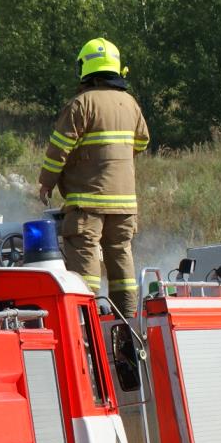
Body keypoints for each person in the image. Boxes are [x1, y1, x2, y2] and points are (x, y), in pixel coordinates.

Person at [37, 37, 150, 315]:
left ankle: (88, 330)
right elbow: (142, 142)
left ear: (85, 68)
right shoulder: (130, 104)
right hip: (124, 204)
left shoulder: (81, 104)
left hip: (87, 203)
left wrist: (45, 183)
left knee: (85, 264)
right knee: (121, 260)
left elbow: (58, 151)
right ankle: (127, 323)